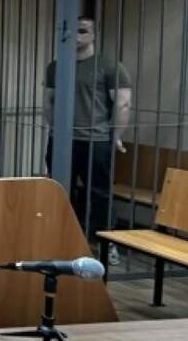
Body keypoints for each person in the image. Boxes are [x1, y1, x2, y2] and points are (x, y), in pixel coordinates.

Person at [43, 17, 132, 264]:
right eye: (73, 30)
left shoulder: (110, 66)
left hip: (96, 140)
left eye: (83, 31)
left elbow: (123, 104)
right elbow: (48, 102)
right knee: (60, 192)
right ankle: (61, 241)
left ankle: (105, 244)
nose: (77, 35)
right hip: (62, 141)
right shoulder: (56, 66)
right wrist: (56, 130)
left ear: (94, 35)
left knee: (100, 194)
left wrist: (115, 136)